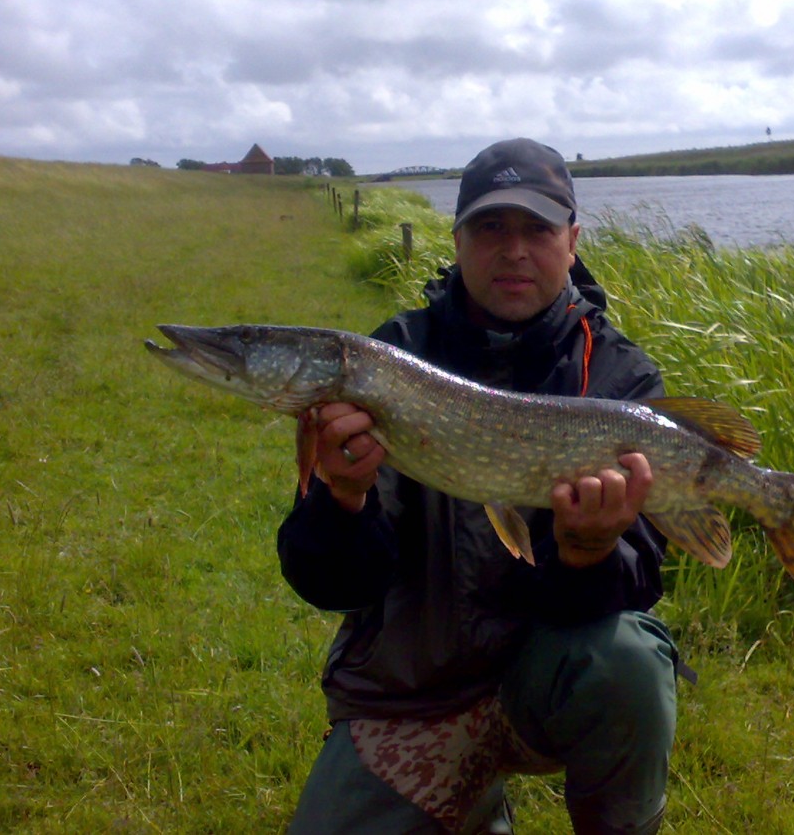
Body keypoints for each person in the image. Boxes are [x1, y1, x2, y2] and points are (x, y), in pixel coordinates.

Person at [278, 138, 678, 834]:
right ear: (457, 240)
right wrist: (343, 500)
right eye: (491, 228)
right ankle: (469, 804)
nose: (514, 250)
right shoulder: (390, 360)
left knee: (630, 663)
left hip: (546, 681)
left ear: (573, 241)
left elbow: (639, 579)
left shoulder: (619, 379)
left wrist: (589, 552)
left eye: (537, 229)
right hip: (415, 692)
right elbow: (331, 584)